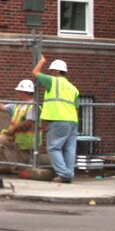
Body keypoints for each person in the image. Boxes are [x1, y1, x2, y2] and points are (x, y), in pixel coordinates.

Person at [33, 55, 80, 183]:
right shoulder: (73, 88)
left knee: (54, 148)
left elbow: (35, 73)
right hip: (73, 121)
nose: (51, 73)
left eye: (51, 71)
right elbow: (76, 108)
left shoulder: (52, 81)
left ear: (56, 72)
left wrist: (41, 61)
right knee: (69, 149)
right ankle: (68, 174)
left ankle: (65, 175)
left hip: (58, 120)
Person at [0, 79, 37, 169]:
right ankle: (3, 167)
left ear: (24, 92)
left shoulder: (34, 106)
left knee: (24, 168)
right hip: (13, 137)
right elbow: (2, 107)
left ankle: (22, 168)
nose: (18, 93)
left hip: (25, 141)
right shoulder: (17, 105)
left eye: (19, 91)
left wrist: (13, 130)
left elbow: (28, 123)